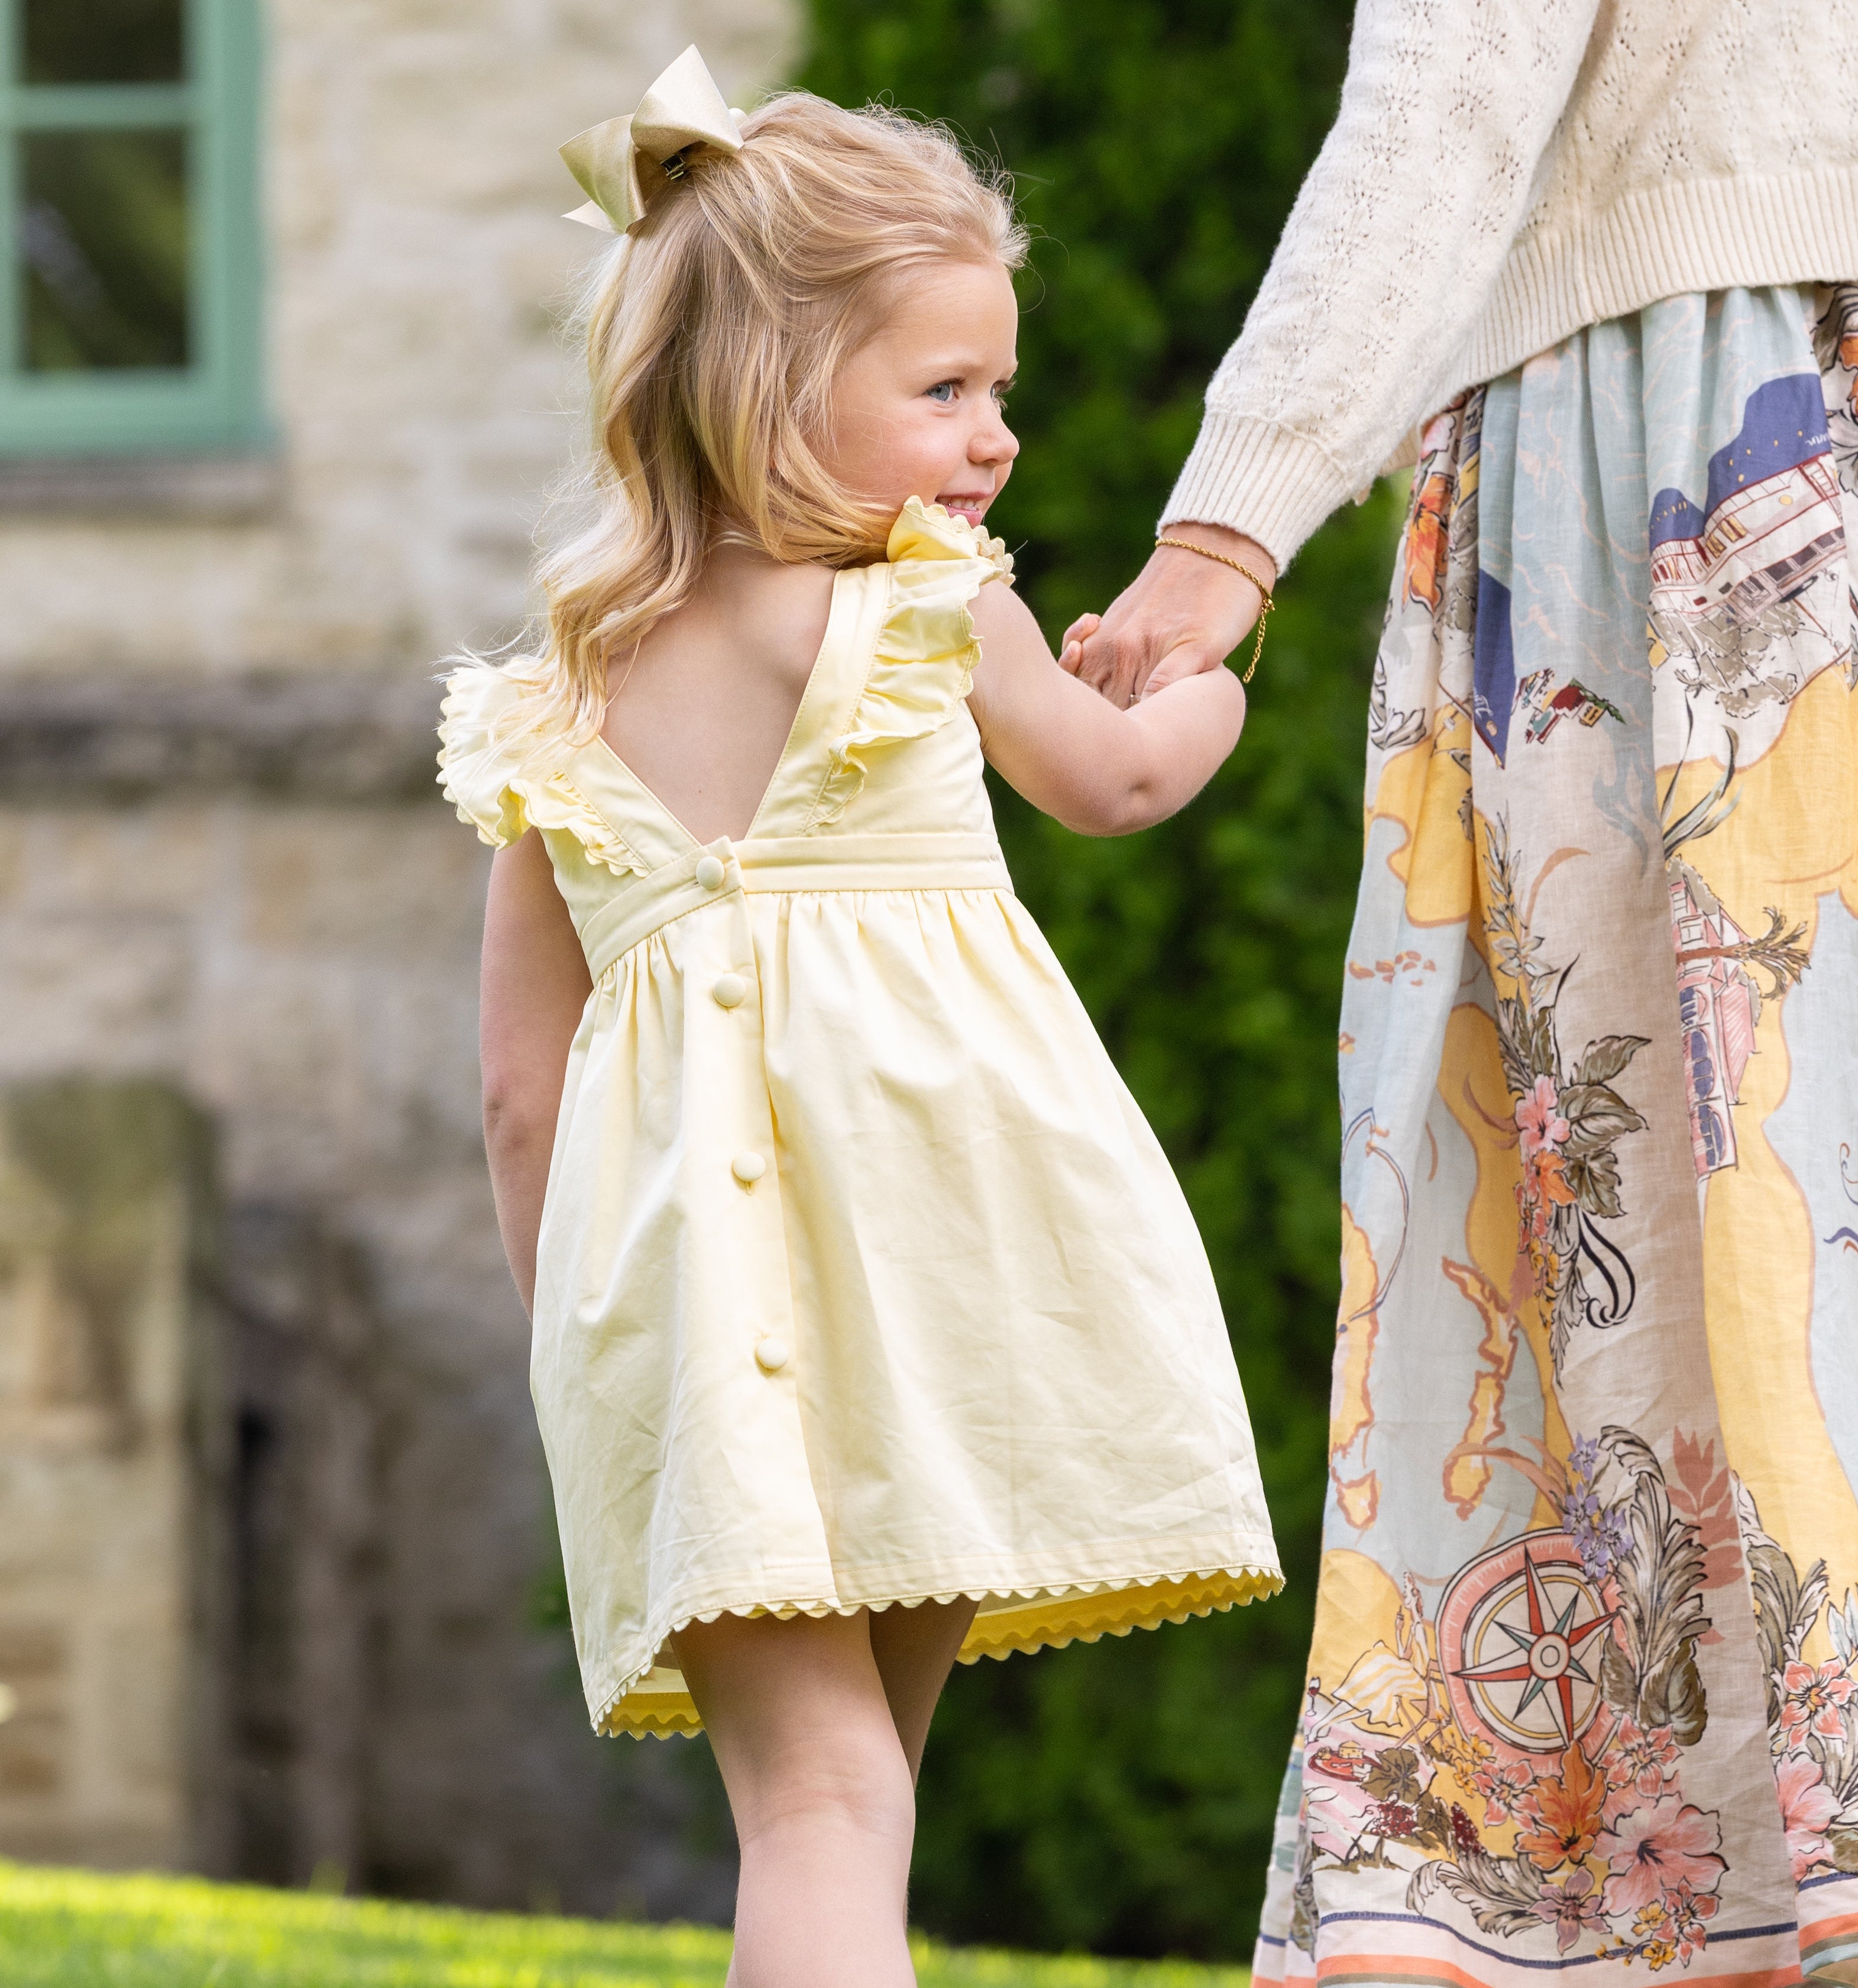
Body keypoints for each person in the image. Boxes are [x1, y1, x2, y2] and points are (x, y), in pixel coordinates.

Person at [1064, 6, 1858, 1988]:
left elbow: (1445, 104)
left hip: (1677, 471)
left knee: (1628, 1230)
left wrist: (1219, 540)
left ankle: (1755, 1915)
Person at [438, 51, 1281, 1988]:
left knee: (823, 1808)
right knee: (848, 1802)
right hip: (944, 1278)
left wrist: (591, 1362)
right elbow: (1119, 779)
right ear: (767, 384)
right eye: (943, 389)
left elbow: (515, 1087)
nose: (993, 435)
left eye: (997, 386)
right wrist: (1209, 676)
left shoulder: (558, 708)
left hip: (696, 1324)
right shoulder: (919, 611)